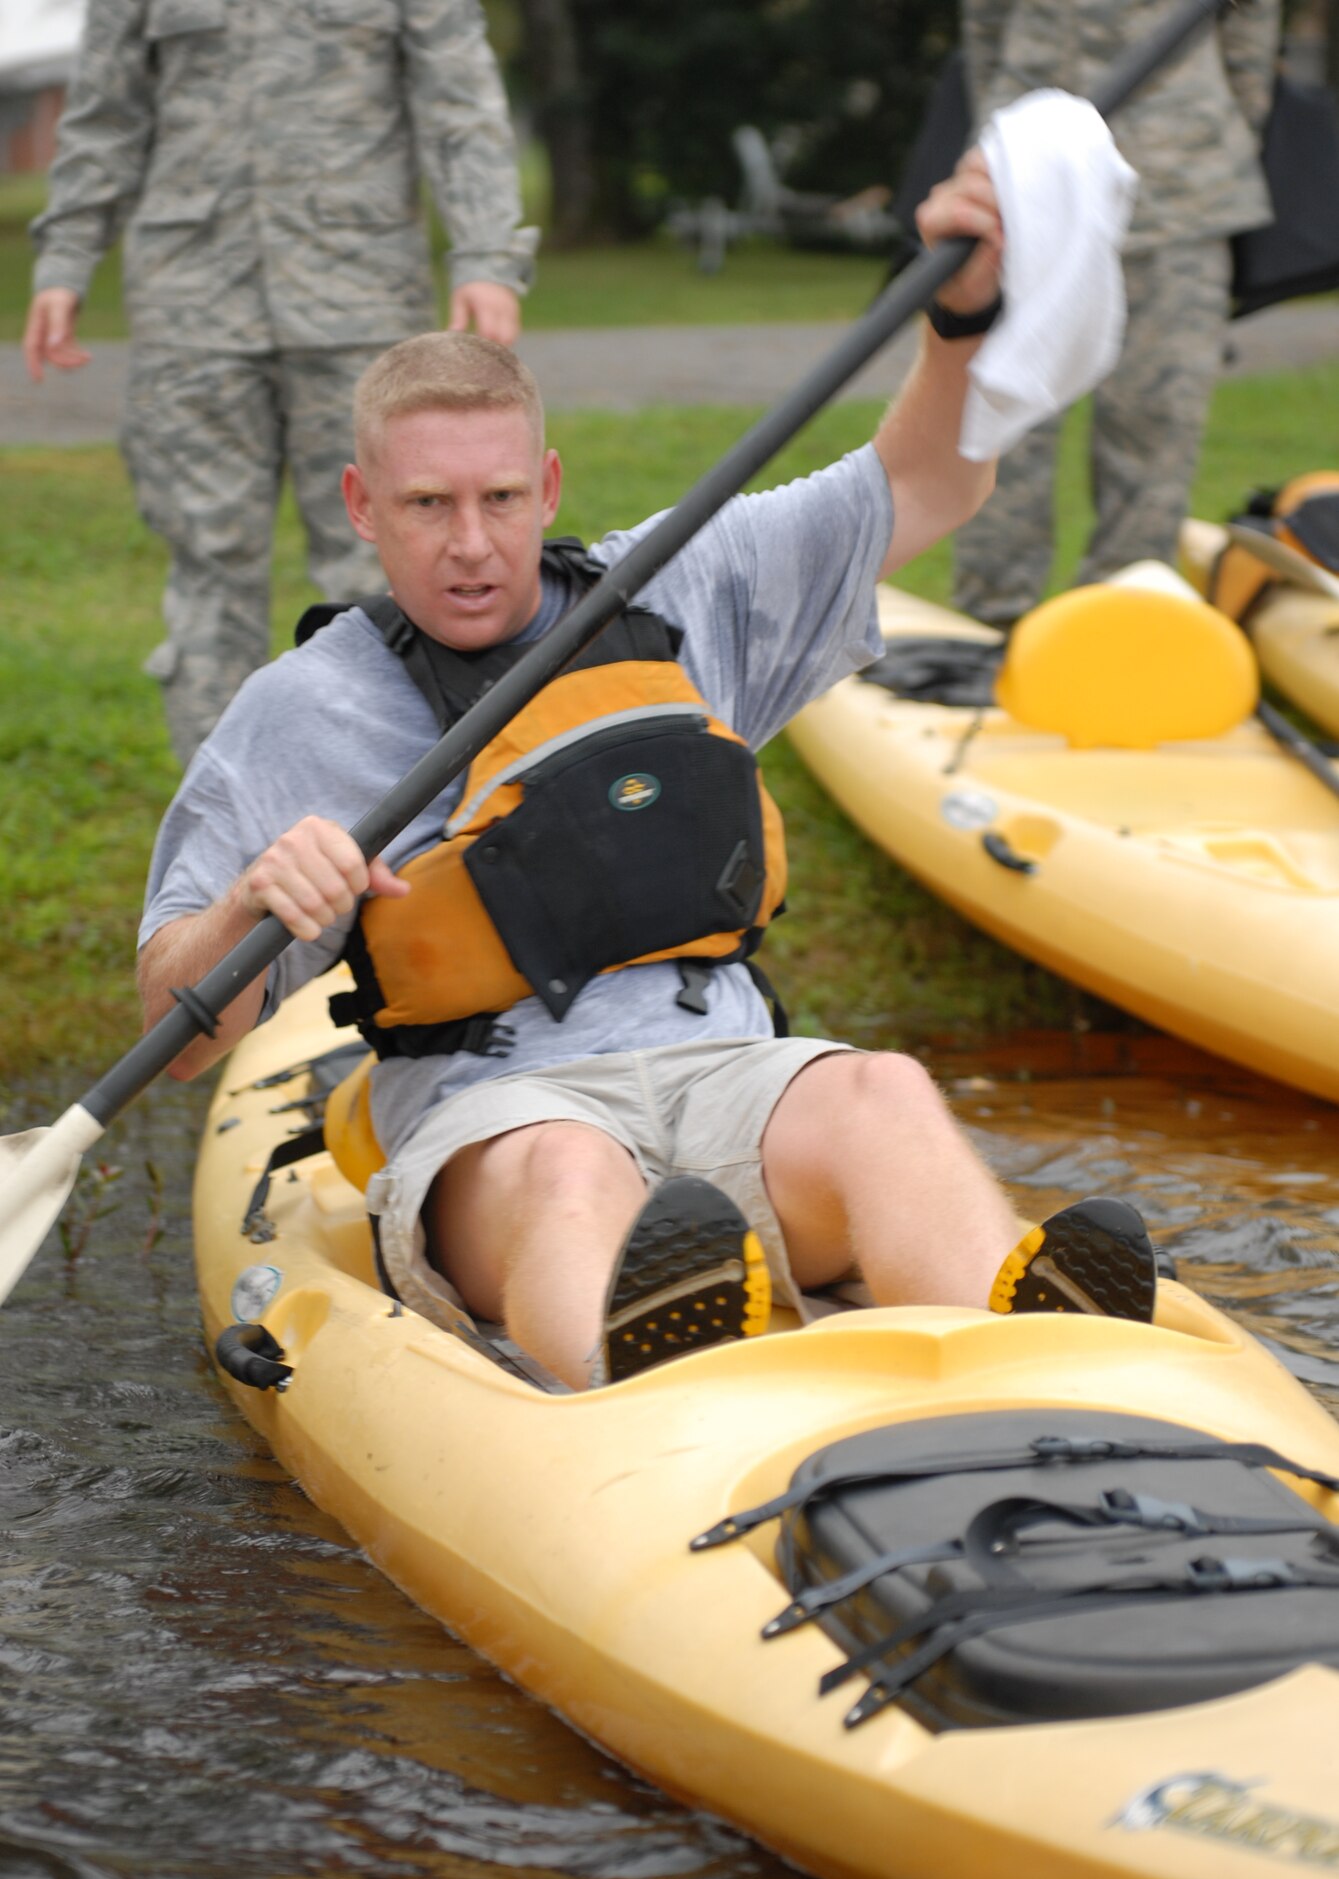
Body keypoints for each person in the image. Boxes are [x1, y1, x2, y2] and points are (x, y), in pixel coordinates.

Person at [135, 154, 1159, 1393]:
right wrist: (249, 904)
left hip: (727, 1079)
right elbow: (176, 1035)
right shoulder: (295, 713)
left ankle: (1048, 1364)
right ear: (360, 504)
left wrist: (958, 318)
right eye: (426, 504)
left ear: (549, 485)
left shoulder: (682, 584)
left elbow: (930, 478)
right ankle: (651, 1381)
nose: (471, 543)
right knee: (574, 1168)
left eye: (502, 497)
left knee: (880, 1088)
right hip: (500, 1119)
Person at [22, 0, 537, 767]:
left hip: (359, 302)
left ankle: (392, 816)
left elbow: (458, 98)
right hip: (192, 307)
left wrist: (488, 254)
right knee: (209, 573)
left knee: (388, 567)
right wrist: (66, 260)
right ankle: (223, 827)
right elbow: (105, 113)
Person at [952, 0, 1281, 630]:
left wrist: (1212, 139)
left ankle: (1123, 632)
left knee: (1155, 429)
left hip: (1179, 178)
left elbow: (1250, 36)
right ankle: (986, 624)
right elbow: (986, 25)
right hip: (1029, 182)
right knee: (1004, 420)